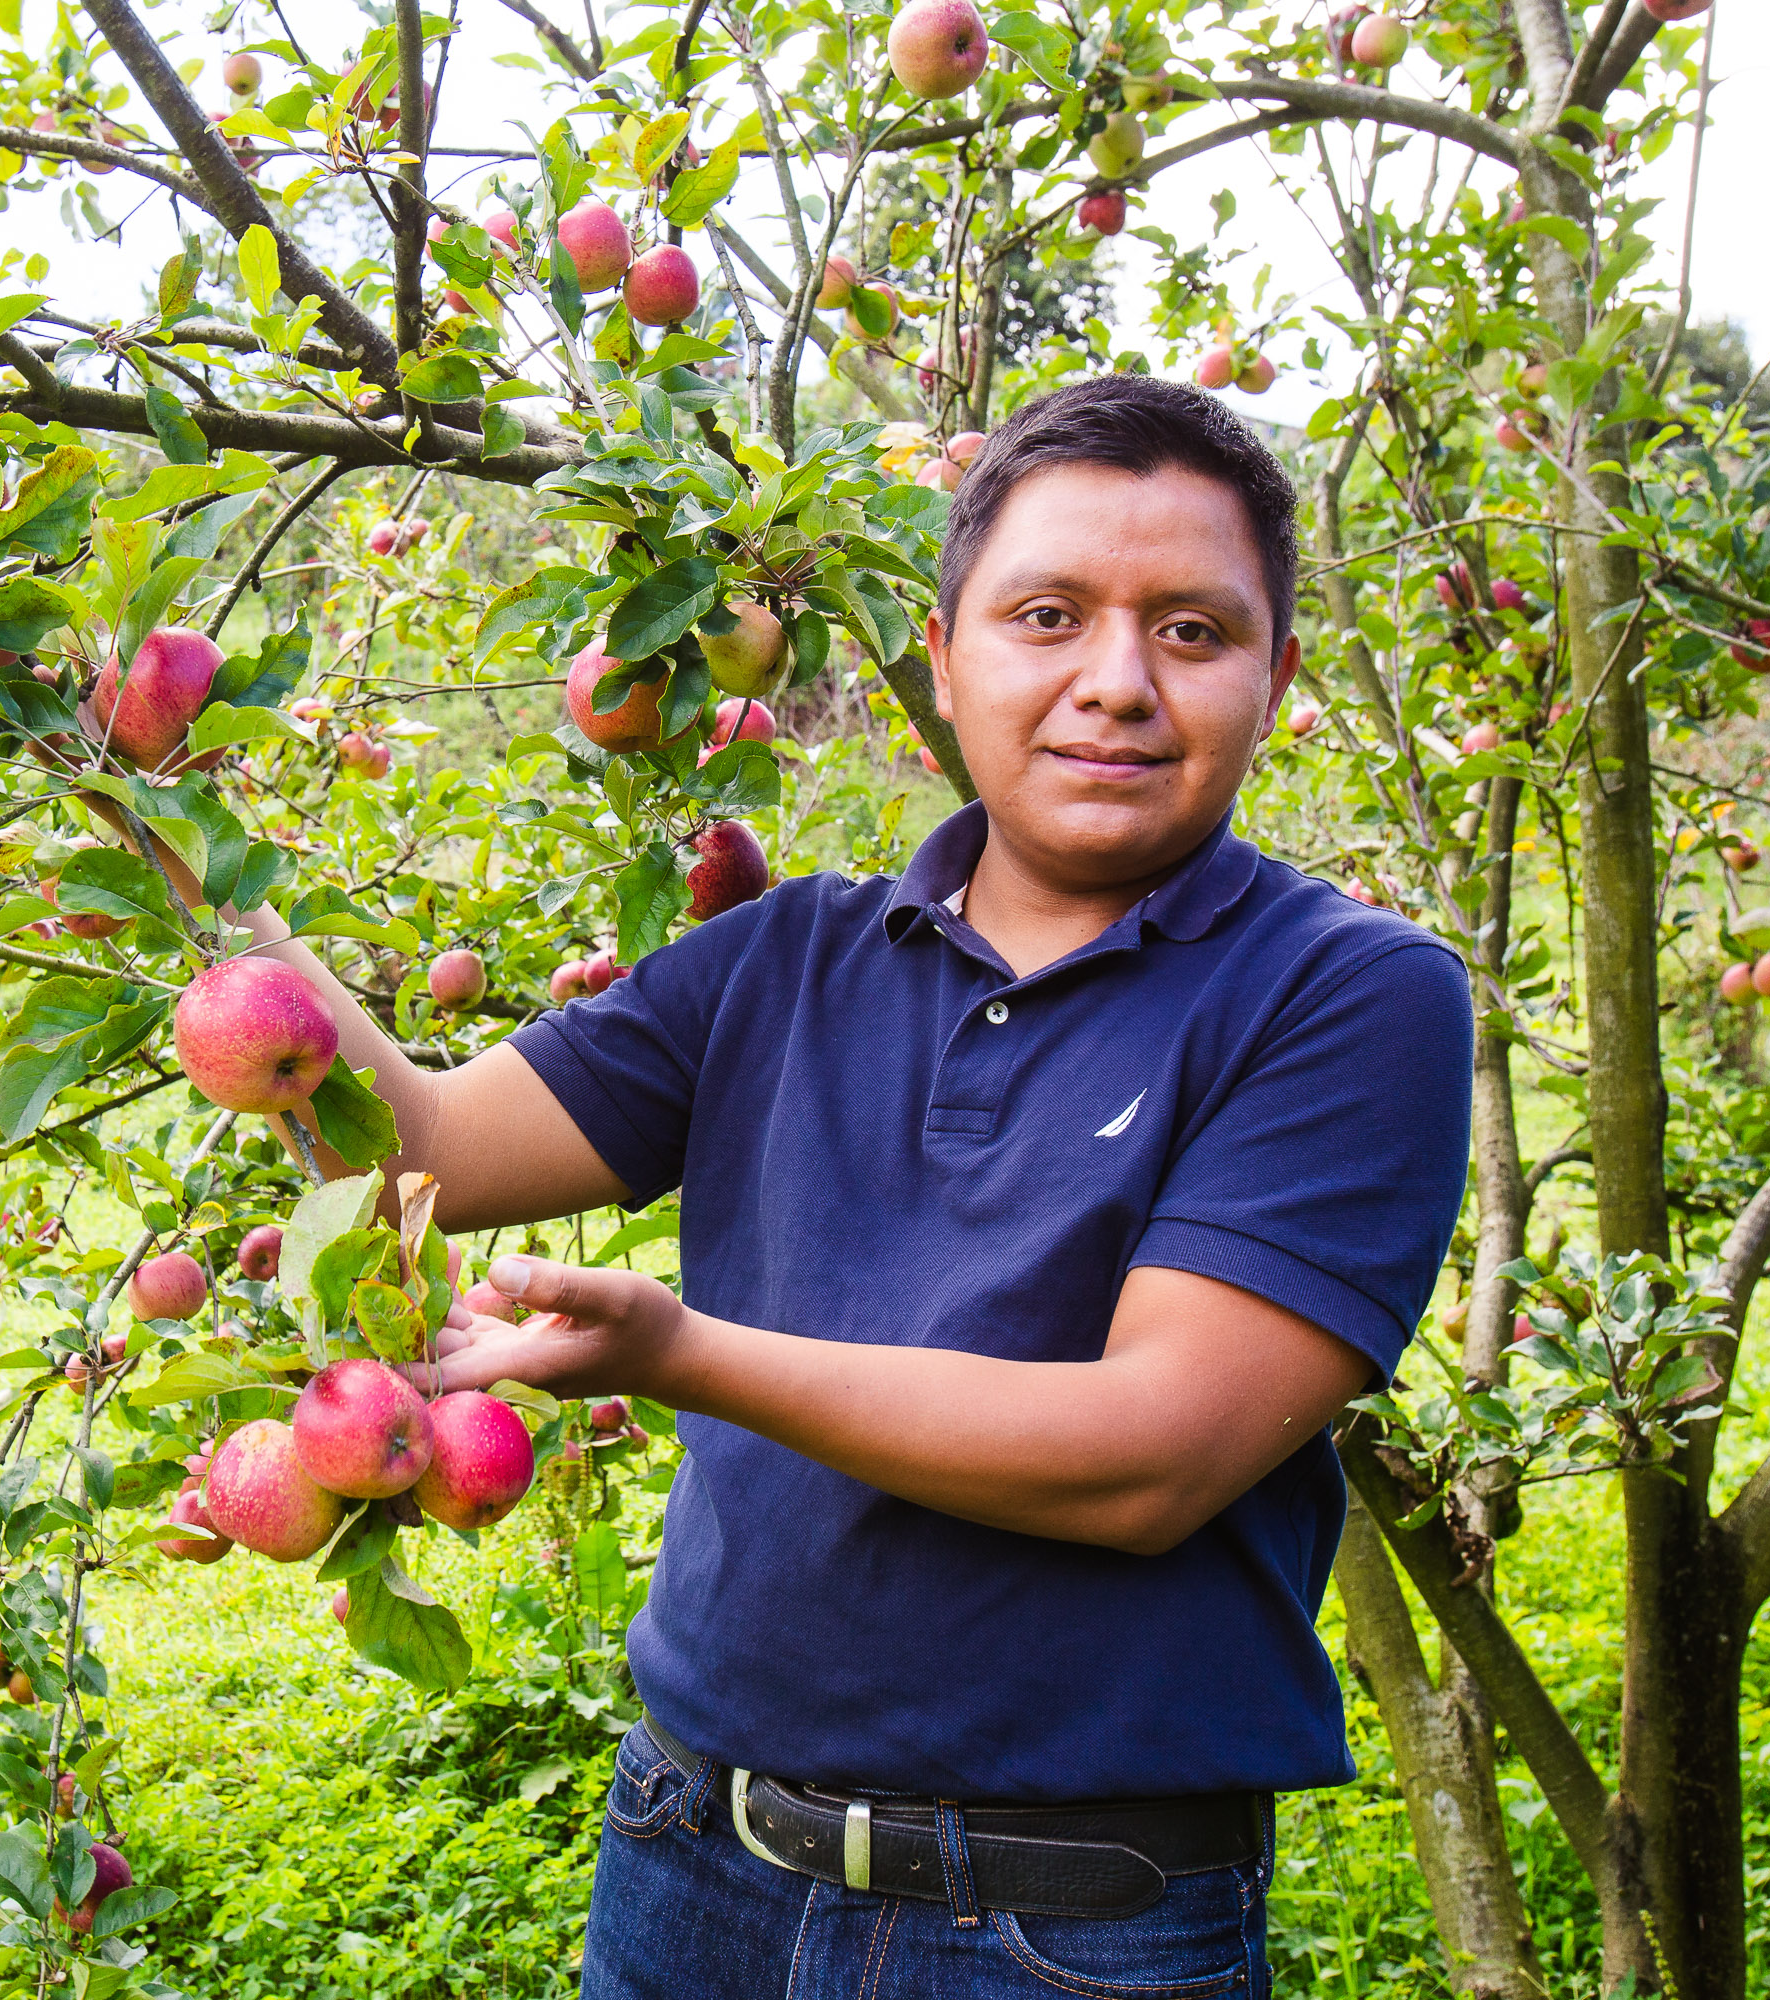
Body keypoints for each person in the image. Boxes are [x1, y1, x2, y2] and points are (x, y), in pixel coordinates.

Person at [221, 373, 1473, 1996]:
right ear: (946, 664)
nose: (1116, 682)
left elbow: (1149, 1456)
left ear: (1276, 678)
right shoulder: (786, 955)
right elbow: (433, 1155)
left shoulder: (1347, 993)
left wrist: (681, 1355)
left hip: (1064, 1925)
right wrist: (174, 853)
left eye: (1191, 631)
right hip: (691, 1859)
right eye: (1047, 615)